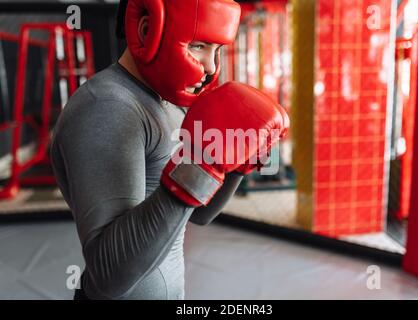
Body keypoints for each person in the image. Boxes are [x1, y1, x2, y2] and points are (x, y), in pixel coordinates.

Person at [50, 0, 289, 300]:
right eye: (199, 46)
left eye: (217, 50)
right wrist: (198, 168)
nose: (211, 66)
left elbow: (196, 213)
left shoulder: (167, 100)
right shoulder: (109, 108)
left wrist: (236, 165)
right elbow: (108, 275)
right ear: (147, 30)